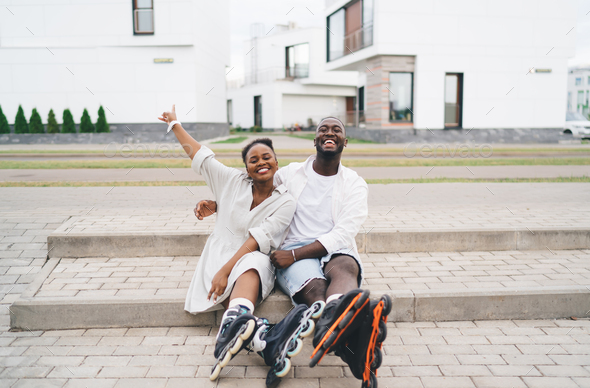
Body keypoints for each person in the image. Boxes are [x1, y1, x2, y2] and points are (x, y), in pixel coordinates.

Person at [196, 117, 391, 388]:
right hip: (291, 249)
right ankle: (351, 341)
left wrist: (298, 255)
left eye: (337, 130)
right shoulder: (290, 173)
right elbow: (255, 187)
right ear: (315, 140)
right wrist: (217, 205)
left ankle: (337, 319)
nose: (329, 132)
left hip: (333, 249)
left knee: (346, 267)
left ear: (345, 141)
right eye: (323, 129)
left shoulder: (355, 183)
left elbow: (343, 234)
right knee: (316, 289)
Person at [158, 105, 322, 382]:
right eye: (253, 159)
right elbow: (200, 154)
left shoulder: (285, 201)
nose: (261, 162)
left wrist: (226, 271)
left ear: (276, 163)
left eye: (267, 157)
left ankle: (234, 327)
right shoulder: (232, 181)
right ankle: (264, 342)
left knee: (256, 259)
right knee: (240, 278)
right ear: (246, 167)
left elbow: (257, 240)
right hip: (217, 256)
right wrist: (175, 124)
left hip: (252, 260)